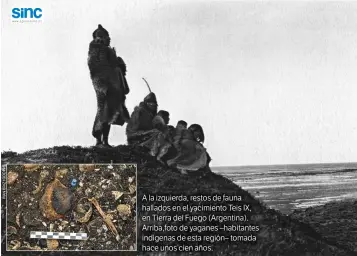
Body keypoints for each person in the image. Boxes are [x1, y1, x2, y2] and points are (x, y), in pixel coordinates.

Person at [88, 24, 130, 147]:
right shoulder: (97, 49)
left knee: (111, 112)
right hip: (105, 86)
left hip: (113, 85)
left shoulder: (105, 50)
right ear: (100, 37)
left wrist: (119, 65)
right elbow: (97, 70)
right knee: (103, 112)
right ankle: (99, 140)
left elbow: (111, 65)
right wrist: (103, 87)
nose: (109, 39)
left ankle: (105, 141)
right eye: (107, 37)